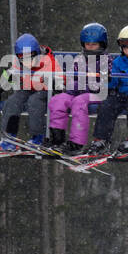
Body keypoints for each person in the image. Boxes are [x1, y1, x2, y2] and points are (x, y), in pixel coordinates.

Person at [90, 24, 128, 160]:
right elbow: (114, 83)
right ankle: (102, 139)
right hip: (122, 93)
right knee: (107, 105)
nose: (127, 50)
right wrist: (108, 79)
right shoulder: (118, 62)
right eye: (124, 46)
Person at [48, 23, 106, 156]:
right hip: (78, 92)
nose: (90, 47)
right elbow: (72, 78)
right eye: (87, 44)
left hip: (97, 95)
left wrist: (83, 86)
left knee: (79, 102)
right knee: (58, 99)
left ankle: (76, 143)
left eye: (94, 44)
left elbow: (102, 83)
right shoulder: (79, 59)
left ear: (102, 44)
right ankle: (57, 139)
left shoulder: (105, 60)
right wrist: (72, 86)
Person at [0, 33, 57, 152]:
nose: (28, 62)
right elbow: (10, 76)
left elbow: (58, 77)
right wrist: (3, 88)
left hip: (45, 91)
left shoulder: (48, 59)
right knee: (13, 101)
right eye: (23, 59)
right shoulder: (18, 64)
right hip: (28, 89)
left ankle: (39, 137)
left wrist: (54, 82)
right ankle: (9, 137)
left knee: (34, 102)